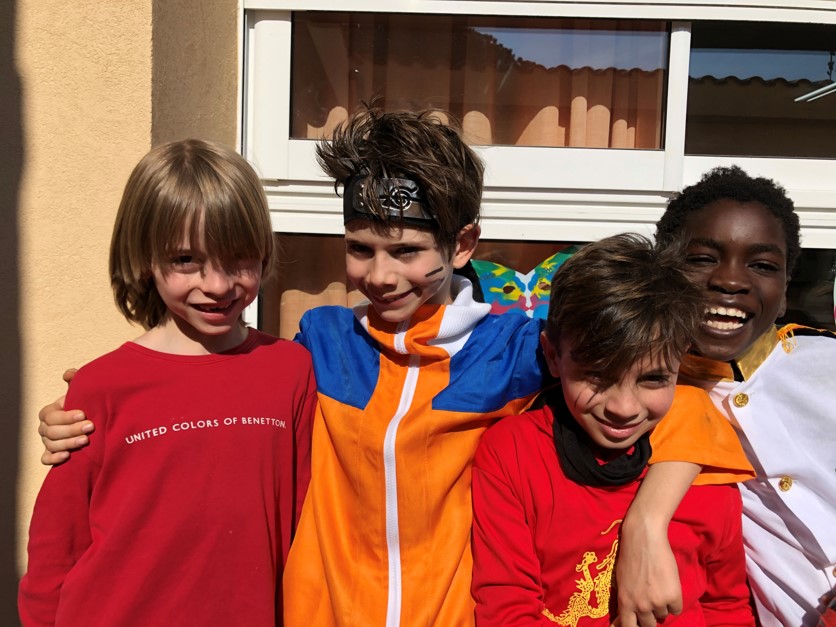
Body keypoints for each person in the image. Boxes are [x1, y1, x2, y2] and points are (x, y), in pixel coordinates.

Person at [31, 109, 753, 626]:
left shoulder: (515, 349)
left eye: (406, 250)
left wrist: (648, 520)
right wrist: (92, 410)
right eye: (360, 248)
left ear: (462, 244)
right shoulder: (316, 346)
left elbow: (671, 399)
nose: (379, 275)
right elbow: (209, 393)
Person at [18, 139, 317, 627]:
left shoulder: (291, 371)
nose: (217, 284)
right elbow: (55, 550)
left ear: (265, 254)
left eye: (239, 258)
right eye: (185, 260)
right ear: (144, 258)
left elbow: (308, 522)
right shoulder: (101, 387)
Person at [470, 233, 755, 625]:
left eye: (653, 379)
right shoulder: (514, 453)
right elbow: (506, 609)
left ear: (681, 363)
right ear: (553, 356)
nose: (623, 408)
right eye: (597, 376)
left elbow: (726, 606)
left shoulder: (706, 463)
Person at [618, 166, 836, 626]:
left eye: (763, 265)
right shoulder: (633, 398)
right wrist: (645, 524)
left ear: (785, 291)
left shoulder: (828, 366)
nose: (731, 281)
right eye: (702, 259)